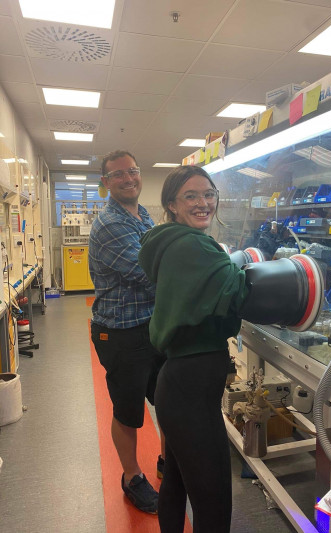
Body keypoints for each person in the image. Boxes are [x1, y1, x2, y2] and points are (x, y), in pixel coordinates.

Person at [138, 165, 250, 532]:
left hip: (179, 383)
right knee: (214, 499)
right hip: (191, 386)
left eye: (209, 195)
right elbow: (236, 290)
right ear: (171, 204)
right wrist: (245, 265)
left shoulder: (169, 240)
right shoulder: (192, 244)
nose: (203, 203)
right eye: (191, 196)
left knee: (178, 480)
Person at [89, 150, 166, 515]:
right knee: (128, 410)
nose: (128, 178)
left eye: (132, 171)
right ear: (106, 183)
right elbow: (148, 275)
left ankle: (168, 460)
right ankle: (132, 476)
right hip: (120, 333)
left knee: (165, 398)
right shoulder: (110, 225)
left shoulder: (143, 215)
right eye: (118, 175)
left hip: (152, 326)